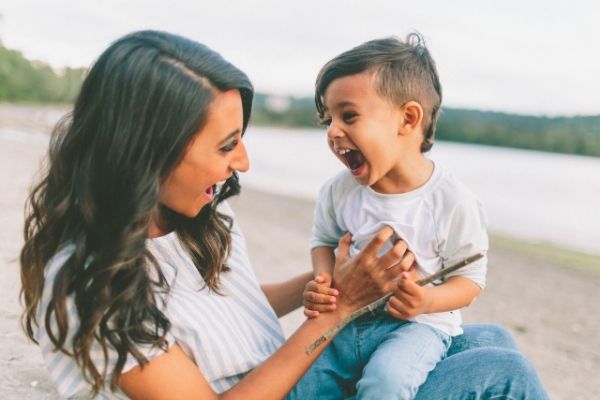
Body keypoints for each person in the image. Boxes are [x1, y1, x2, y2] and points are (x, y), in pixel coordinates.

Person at [19, 30, 548, 399]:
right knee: (502, 372)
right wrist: (342, 309)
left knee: (488, 339)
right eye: (227, 145)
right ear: (144, 152)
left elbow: (235, 314)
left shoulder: (196, 224)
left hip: (292, 378)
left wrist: (331, 283)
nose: (242, 163)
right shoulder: (89, 283)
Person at [293, 34, 546, 399]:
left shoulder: (451, 200)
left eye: (348, 115)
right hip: (347, 323)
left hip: (416, 325)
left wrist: (425, 301)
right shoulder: (339, 191)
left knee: (387, 382)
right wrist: (324, 279)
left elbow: (470, 280)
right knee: (304, 384)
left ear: (408, 118)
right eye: (328, 119)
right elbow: (324, 240)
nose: (333, 131)